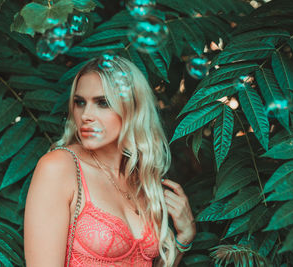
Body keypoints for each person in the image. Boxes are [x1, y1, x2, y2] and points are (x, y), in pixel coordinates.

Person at [24, 55, 196, 266]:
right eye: (80, 102)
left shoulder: (140, 177)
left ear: (132, 108)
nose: (86, 115)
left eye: (103, 103)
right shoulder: (59, 167)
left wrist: (184, 238)